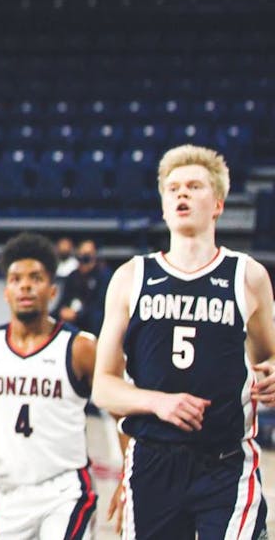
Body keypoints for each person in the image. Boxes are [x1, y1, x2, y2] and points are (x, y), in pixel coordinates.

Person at [92, 144, 275, 539]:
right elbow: (103, 386)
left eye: (194, 186)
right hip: (154, 460)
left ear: (218, 205)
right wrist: (159, 402)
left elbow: (269, 358)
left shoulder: (247, 276)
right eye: (173, 188)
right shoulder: (132, 277)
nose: (182, 194)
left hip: (226, 463)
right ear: (162, 206)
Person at [0, 232, 99, 539]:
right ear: (6, 292)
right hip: (8, 496)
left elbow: (120, 412)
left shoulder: (79, 347)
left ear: (52, 290)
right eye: (16, 279)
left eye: (35, 278)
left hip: (65, 490)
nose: (25, 285)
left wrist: (129, 478)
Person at [56, 238, 109, 335]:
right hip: (73, 319)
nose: (84, 262)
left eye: (87, 257)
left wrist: (78, 315)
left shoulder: (103, 276)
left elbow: (100, 305)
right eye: (81, 257)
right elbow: (63, 301)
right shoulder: (73, 276)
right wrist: (63, 310)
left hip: (92, 322)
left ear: (94, 257)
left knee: (96, 317)